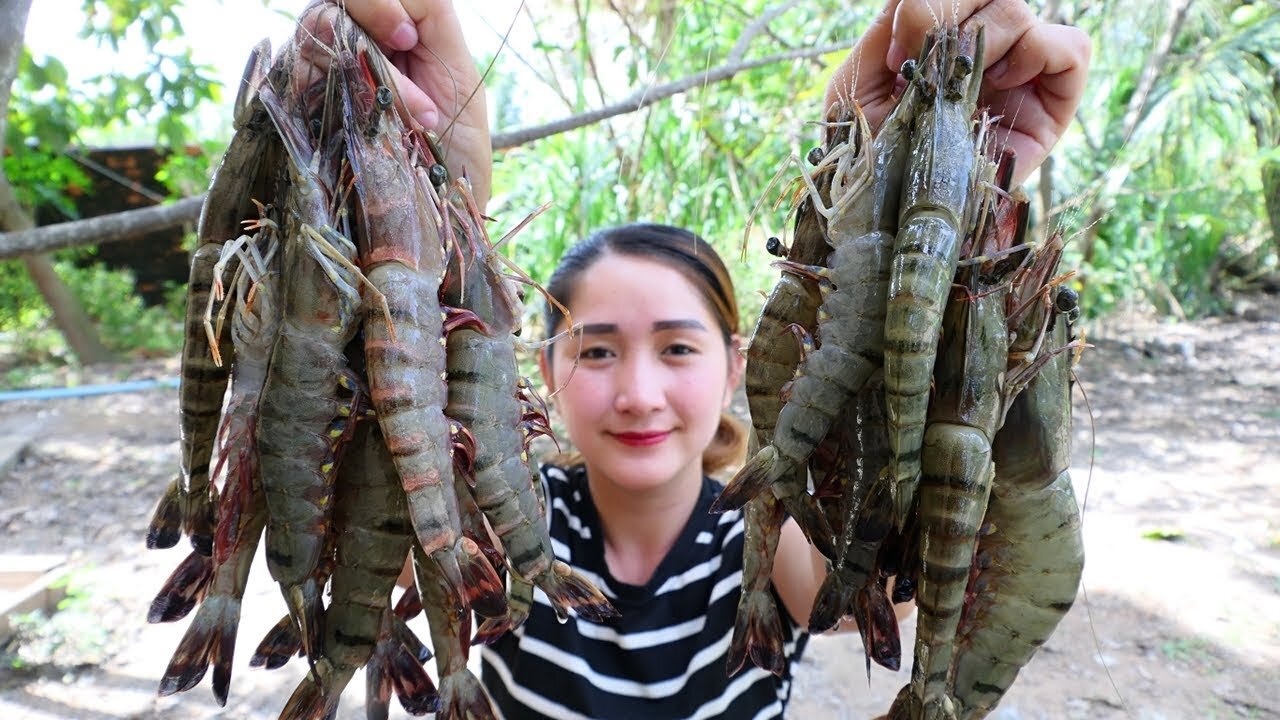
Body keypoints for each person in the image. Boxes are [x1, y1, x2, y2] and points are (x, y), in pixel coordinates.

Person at [335, 0, 1092, 717]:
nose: (639, 391)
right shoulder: (507, 526)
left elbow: (894, 555)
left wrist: (962, 207)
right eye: (596, 349)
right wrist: (441, 197)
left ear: (737, 365)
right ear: (542, 369)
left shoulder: (766, 539)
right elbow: (390, 460)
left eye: (677, 348)